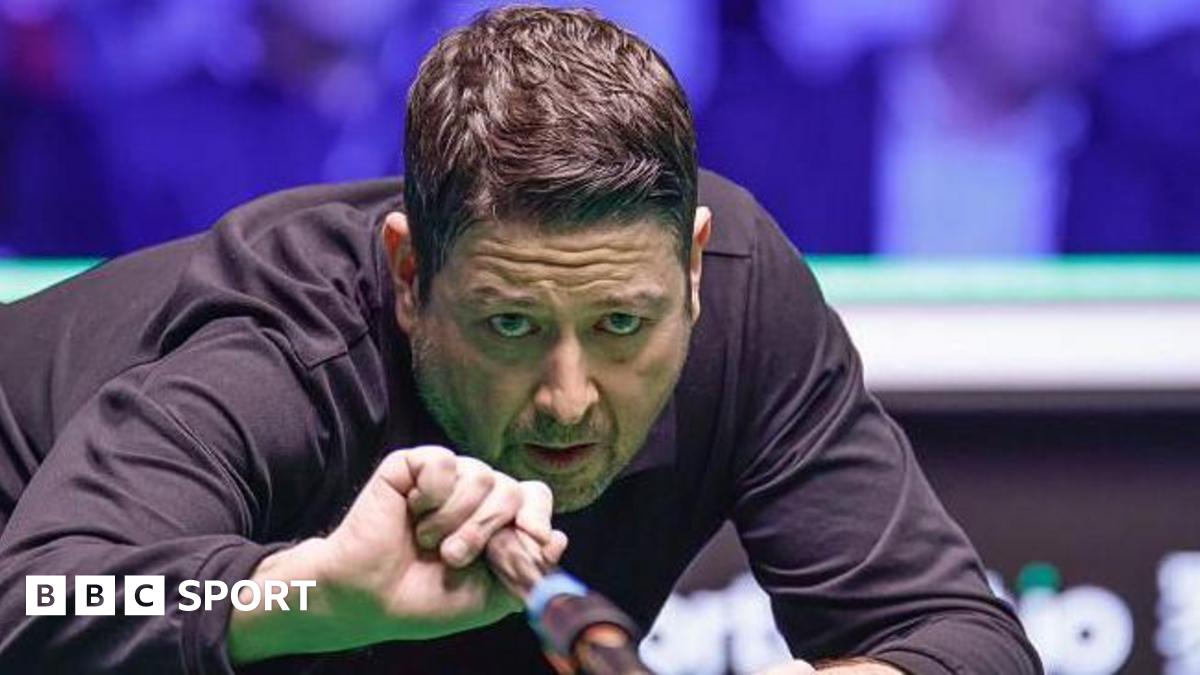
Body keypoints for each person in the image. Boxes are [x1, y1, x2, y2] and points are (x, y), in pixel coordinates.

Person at [0, 6, 1040, 674]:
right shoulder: (286, 346)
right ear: (411, 277)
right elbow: (40, 597)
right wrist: (310, 594)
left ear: (691, 269)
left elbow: (963, 639)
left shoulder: (740, 296)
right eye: (511, 325)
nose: (569, 395)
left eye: (621, 325)